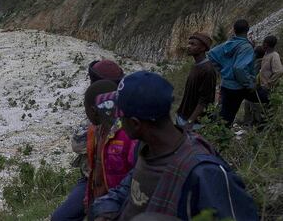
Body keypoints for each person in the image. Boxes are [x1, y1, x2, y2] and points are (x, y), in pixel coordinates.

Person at [92, 71, 259, 221]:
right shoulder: (147, 151)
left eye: (121, 117)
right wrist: (104, 211)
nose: (119, 122)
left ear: (135, 124)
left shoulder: (204, 173)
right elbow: (127, 189)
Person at [52, 60, 124, 221]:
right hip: (93, 180)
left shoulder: (108, 123)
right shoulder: (108, 116)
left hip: (108, 184)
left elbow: (77, 144)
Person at [84, 81, 137, 216]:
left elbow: (135, 174)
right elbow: (94, 170)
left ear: (94, 110)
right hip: (100, 202)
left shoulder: (126, 136)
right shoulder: (97, 132)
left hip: (119, 205)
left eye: (87, 111)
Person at [208, 19, 264, 126]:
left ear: (234, 30)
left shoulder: (229, 43)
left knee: (225, 115)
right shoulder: (246, 47)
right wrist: (250, 83)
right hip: (238, 87)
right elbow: (239, 68)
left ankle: (217, 135)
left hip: (226, 85)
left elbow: (211, 54)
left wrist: (223, 70)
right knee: (266, 97)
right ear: (247, 30)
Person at [176, 32, 216, 130]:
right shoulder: (196, 65)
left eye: (193, 44)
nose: (188, 46)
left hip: (194, 123)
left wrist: (190, 121)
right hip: (183, 116)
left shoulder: (208, 70)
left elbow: (204, 100)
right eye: (189, 43)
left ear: (202, 48)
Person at [243, 46, 265, 125]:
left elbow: (254, 75)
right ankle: (249, 121)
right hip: (255, 86)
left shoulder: (258, 63)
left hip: (255, 87)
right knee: (249, 103)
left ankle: (254, 122)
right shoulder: (260, 61)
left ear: (255, 54)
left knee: (253, 105)